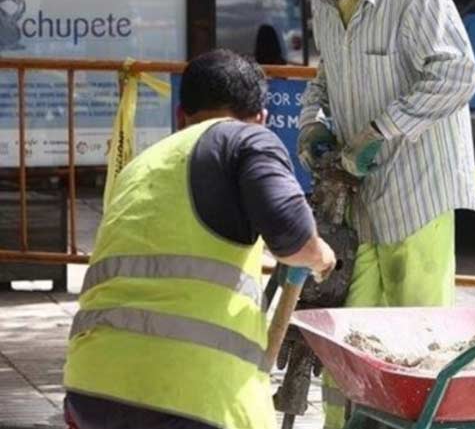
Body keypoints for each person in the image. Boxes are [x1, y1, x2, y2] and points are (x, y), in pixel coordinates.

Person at [278, 0, 475, 429]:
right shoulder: (326, 4)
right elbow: (324, 80)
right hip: (357, 194)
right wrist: (313, 124)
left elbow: (458, 76)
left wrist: (382, 131)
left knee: (418, 332)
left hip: (419, 190)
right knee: (348, 334)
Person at [62, 49, 336, 429]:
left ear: (181, 116)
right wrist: (321, 256)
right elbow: (293, 240)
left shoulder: (141, 165)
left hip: (90, 387)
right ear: (261, 118)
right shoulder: (247, 140)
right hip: (189, 398)